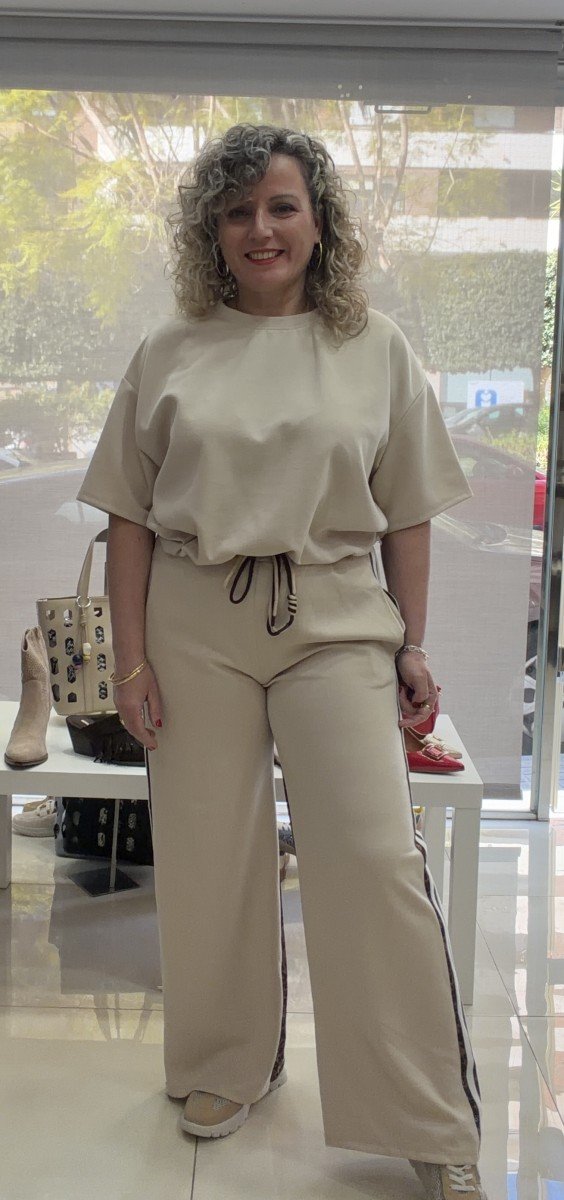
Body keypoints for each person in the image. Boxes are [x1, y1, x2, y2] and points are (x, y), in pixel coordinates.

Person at [76, 123, 487, 1200]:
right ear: (211, 231)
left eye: (280, 206)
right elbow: (126, 517)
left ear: (319, 221)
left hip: (335, 612)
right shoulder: (171, 347)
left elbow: (409, 511)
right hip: (193, 615)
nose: (260, 229)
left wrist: (413, 639)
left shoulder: (374, 346)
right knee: (207, 853)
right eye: (237, 211)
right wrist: (131, 664)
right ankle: (226, 1064)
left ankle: (425, 1114)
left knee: (372, 857)